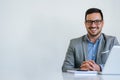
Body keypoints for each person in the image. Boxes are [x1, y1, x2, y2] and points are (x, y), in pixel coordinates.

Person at [62, 8, 119, 72]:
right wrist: (81, 69)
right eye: (89, 22)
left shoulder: (112, 41)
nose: (93, 25)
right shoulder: (74, 43)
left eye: (97, 21)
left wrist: (99, 68)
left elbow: (118, 65)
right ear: (85, 23)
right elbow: (65, 68)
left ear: (102, 23)